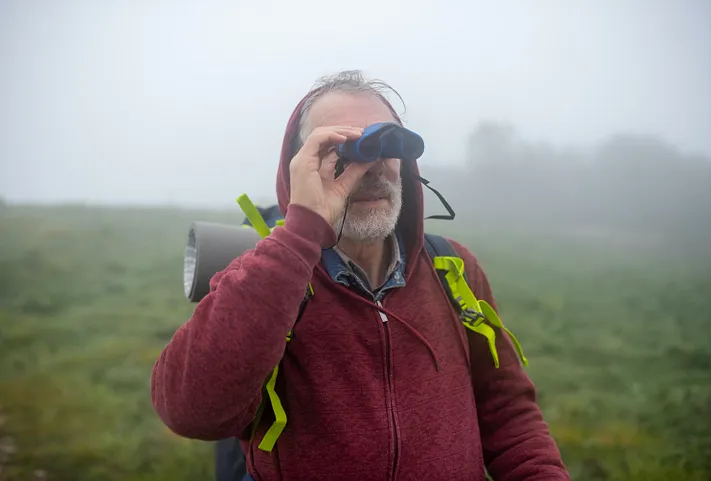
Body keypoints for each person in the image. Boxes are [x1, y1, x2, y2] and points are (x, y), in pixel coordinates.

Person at [151, 70, 570, 480]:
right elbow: (191, 411)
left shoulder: (452, 268)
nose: (370, 166)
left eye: (386, 143)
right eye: (342, 148)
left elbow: (508, 414)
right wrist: (300, 235)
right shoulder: (267, 276)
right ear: (299, 169)